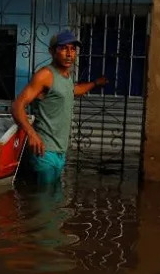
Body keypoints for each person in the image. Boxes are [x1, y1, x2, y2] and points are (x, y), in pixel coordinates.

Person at [11, 29, 107, 184]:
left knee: (52, 201)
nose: (69, 53)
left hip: (59, 152)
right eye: (63, 48)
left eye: (72, 49)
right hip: (44, 151)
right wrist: (32, 134)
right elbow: (17, 106)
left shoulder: (66, 77)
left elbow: (74, 90)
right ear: (52, 51)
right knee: (45, 201)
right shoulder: (45, 75)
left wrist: (95, 83)